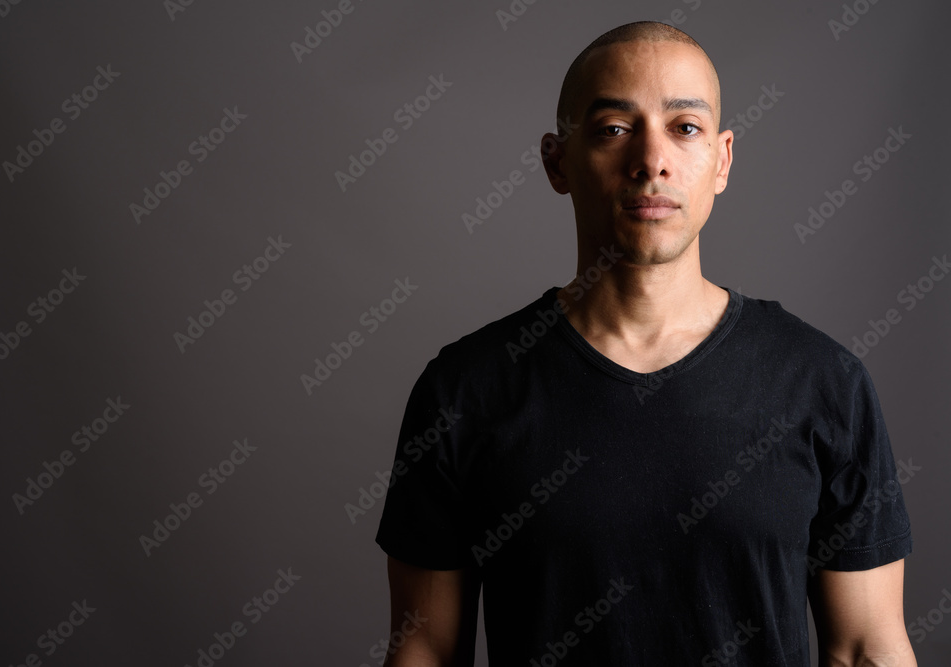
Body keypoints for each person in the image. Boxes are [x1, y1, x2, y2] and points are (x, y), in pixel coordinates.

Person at [375, 20, 915, 666]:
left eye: (684, 128)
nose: (651, 160)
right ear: (557, 161)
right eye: (613, 129)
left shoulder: (825, 384)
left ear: (722, 160)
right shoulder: (464, 392)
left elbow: (865, 648)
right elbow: (426, 649)